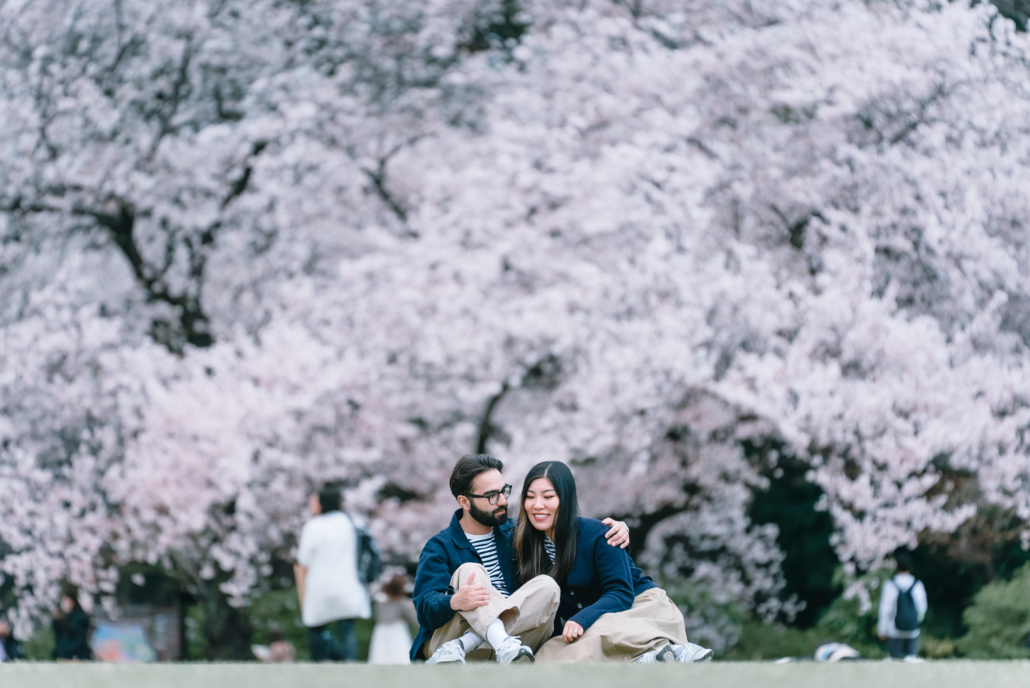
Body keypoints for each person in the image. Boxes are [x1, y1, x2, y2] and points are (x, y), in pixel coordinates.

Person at [411, 453, 631, 664]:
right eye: (492, 496)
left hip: (515, 646)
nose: (503, 501)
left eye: (504, 491)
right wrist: (453, 601)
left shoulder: (518, 535)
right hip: (453, 647)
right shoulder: (440, 547)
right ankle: (490, 643)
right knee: (471, 570)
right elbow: (424, 609)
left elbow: (566, 534)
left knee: (547, 585)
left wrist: (618, 529)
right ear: (465, 502)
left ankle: (502, 644)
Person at [514, 460, 714, 664]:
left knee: (606, 632)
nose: (537, 505)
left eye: (548, 497)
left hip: (640, 607)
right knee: (548, 657)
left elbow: (621, 592)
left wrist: (581, 618)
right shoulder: (528, 548)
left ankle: (674, 651)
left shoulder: (601, 534)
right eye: (530, 497)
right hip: (598, 622)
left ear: (566, 499)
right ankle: (651, 658)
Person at [294, 488, 371, 661]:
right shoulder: (353, 522)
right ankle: (349, 664)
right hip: (348, 584)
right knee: (347, 629)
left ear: (321, 503)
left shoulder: (313, 526)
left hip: (319, 586)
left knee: (317, 628)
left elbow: (302, 559)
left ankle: (320, 664)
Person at [877, 550, 927, 659]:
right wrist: (915, 621)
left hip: (894, 630)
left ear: (896, 566)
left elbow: (885, 609)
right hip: (912, 630)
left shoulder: (890, 585)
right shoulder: (917, 584)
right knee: (912, 660)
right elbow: (922, 607)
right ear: (911, 566)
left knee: (893, 660)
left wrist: (882, 629)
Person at [368, 572, 418, 664]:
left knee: (380, 657)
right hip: (398, 630)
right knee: (399, 656)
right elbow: (415, 620)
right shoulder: (402, 603)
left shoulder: (380, 602)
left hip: (381, 629)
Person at [52, 584, 92, 661]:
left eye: (65, 600)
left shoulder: (79, 617)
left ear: (71, 600)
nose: (64, 603)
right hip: (67, 656)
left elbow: (74, 638)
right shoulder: (70, 616)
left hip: (75, 657)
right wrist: (57, 622)